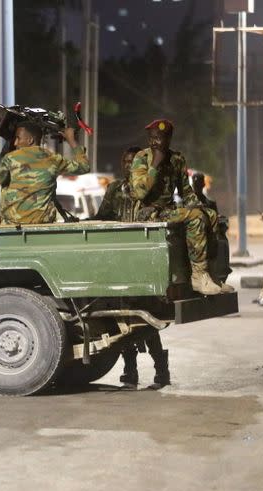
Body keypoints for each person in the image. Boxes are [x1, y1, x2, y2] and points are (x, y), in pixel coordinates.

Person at [94, 147, 171, 389]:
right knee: (122, 317)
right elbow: (103, 216)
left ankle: (162, 372)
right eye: (125, 161)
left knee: (147, 321)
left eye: (133, 161)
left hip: (143, 261)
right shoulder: (115, 188)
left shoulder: (151, 188)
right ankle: (130, 372)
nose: (128, 165)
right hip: (119, 260)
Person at [129, 119, 233, 295]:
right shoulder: (142, 158)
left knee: (209, 215)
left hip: (168, 211)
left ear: (168, 139)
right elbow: (140, 192)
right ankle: (198, 276)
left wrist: (201, 208)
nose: (155, 142)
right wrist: (155, 165)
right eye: (152, 138)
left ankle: (211, 274)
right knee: (195, 217)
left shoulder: (176, 159)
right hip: (147, 213)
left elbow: (186, 192)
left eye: (160, 138)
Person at [0, 122, 90, 224]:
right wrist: (71, 140)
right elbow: (84, 167)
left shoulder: (10, 158)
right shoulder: (53, 159)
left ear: (30, 140)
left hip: (12, 224)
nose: (15, 143)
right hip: (42, 224)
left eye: (18, 138)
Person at [94, 146, 142, 221]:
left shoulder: (147, 187)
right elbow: (101, 216)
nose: (126, 166)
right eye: (124, 162)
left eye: (130, 162)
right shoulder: (114, 188)